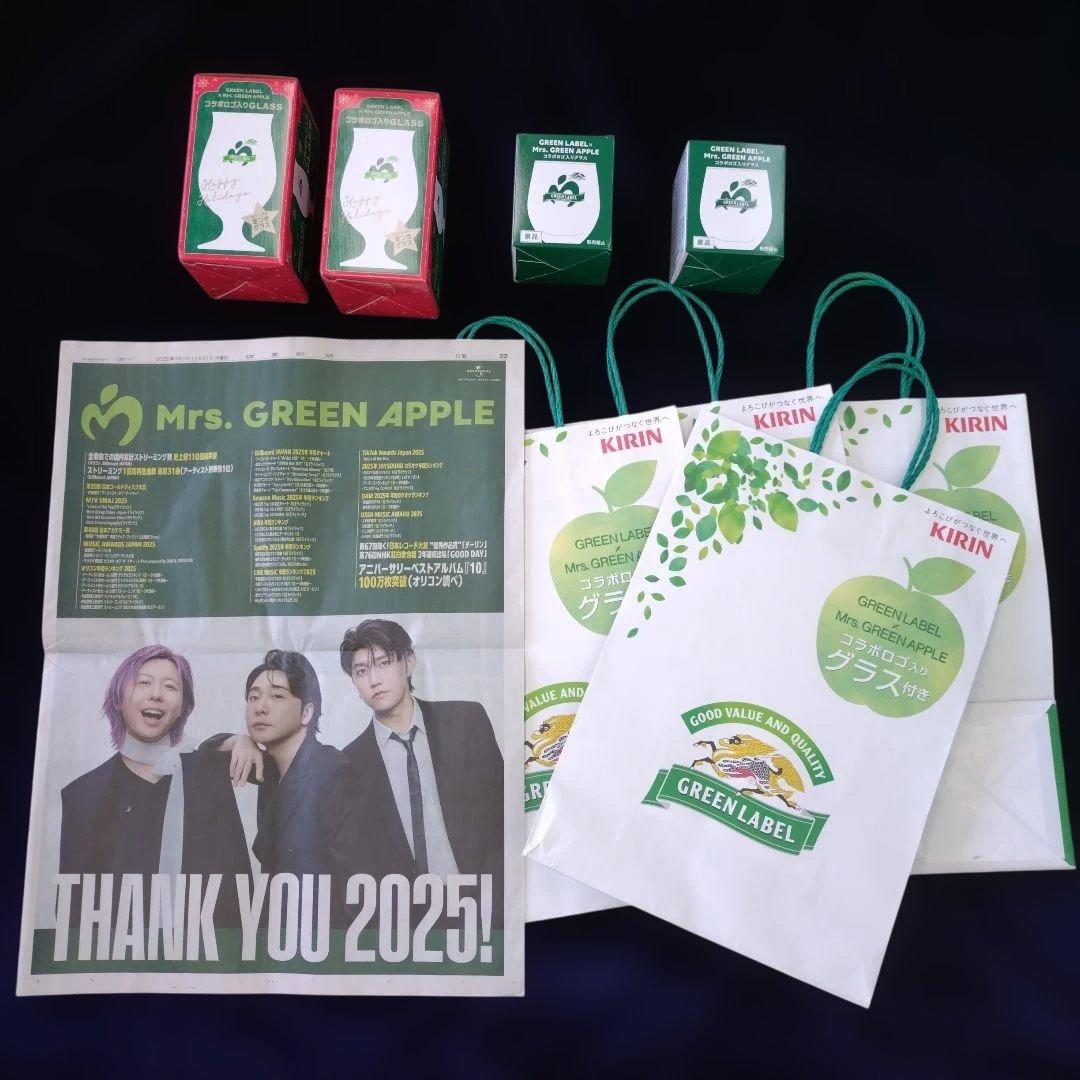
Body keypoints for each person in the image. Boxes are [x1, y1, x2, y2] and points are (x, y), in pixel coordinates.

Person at [59, 645, 255, 928]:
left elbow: (240, 894)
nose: (156, 694)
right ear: (118, 698)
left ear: (183, 707)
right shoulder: (83, 795)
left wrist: (243, 740)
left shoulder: (210, 774)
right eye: (144, 682)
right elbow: (74, 915)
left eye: (170, 686)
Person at [338, 620, 504, 922]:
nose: (374, 679)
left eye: (384, 663)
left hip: (486, 908)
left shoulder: (467, 721)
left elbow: (504, 817)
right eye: (361, 671)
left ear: (409, 661)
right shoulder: (347, 765)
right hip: (404, 924)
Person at [242, 649, 410, 927]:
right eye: (253, 697)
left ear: (307, 712)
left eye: (277, 696)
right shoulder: (269, 771)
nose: (260, 707)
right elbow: (203, 755)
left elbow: (363, 891)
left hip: (329, 940)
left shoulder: (333, 773)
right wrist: (237, 741)